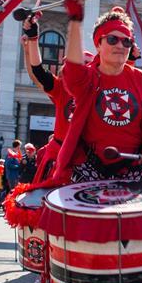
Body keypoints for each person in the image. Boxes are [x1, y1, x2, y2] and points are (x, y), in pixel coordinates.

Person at [46, 0, 142, 283]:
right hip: (91, 168)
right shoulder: (86, 78)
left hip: (134, 170)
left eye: (125, 41)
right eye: (112, 39)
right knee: (80, 238)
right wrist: (74, 20)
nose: (120, 45)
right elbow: (70, 67)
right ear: (98, 44)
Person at [22, 16, 84, 181]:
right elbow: (38, 73)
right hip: (60, 159)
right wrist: (31, 44)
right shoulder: (61, 90)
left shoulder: (96, 91)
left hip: (86, 161)